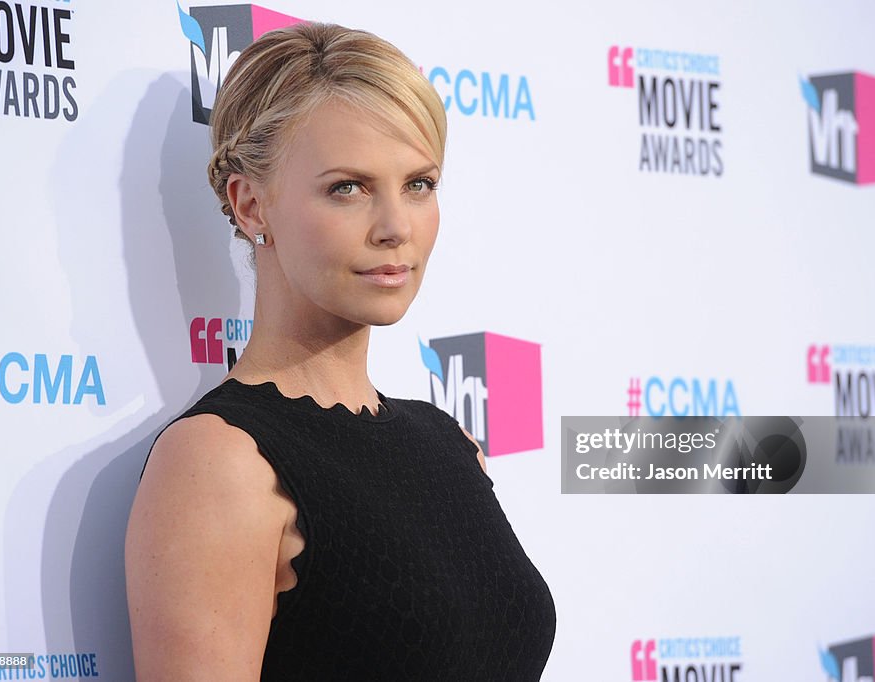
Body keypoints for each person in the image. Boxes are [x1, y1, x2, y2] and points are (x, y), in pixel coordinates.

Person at [124, 22, 556, 681]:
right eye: (347, 188)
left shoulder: (451, 444)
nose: (395, 228)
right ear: (251, 206)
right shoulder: (220, 464)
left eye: (419, 184)